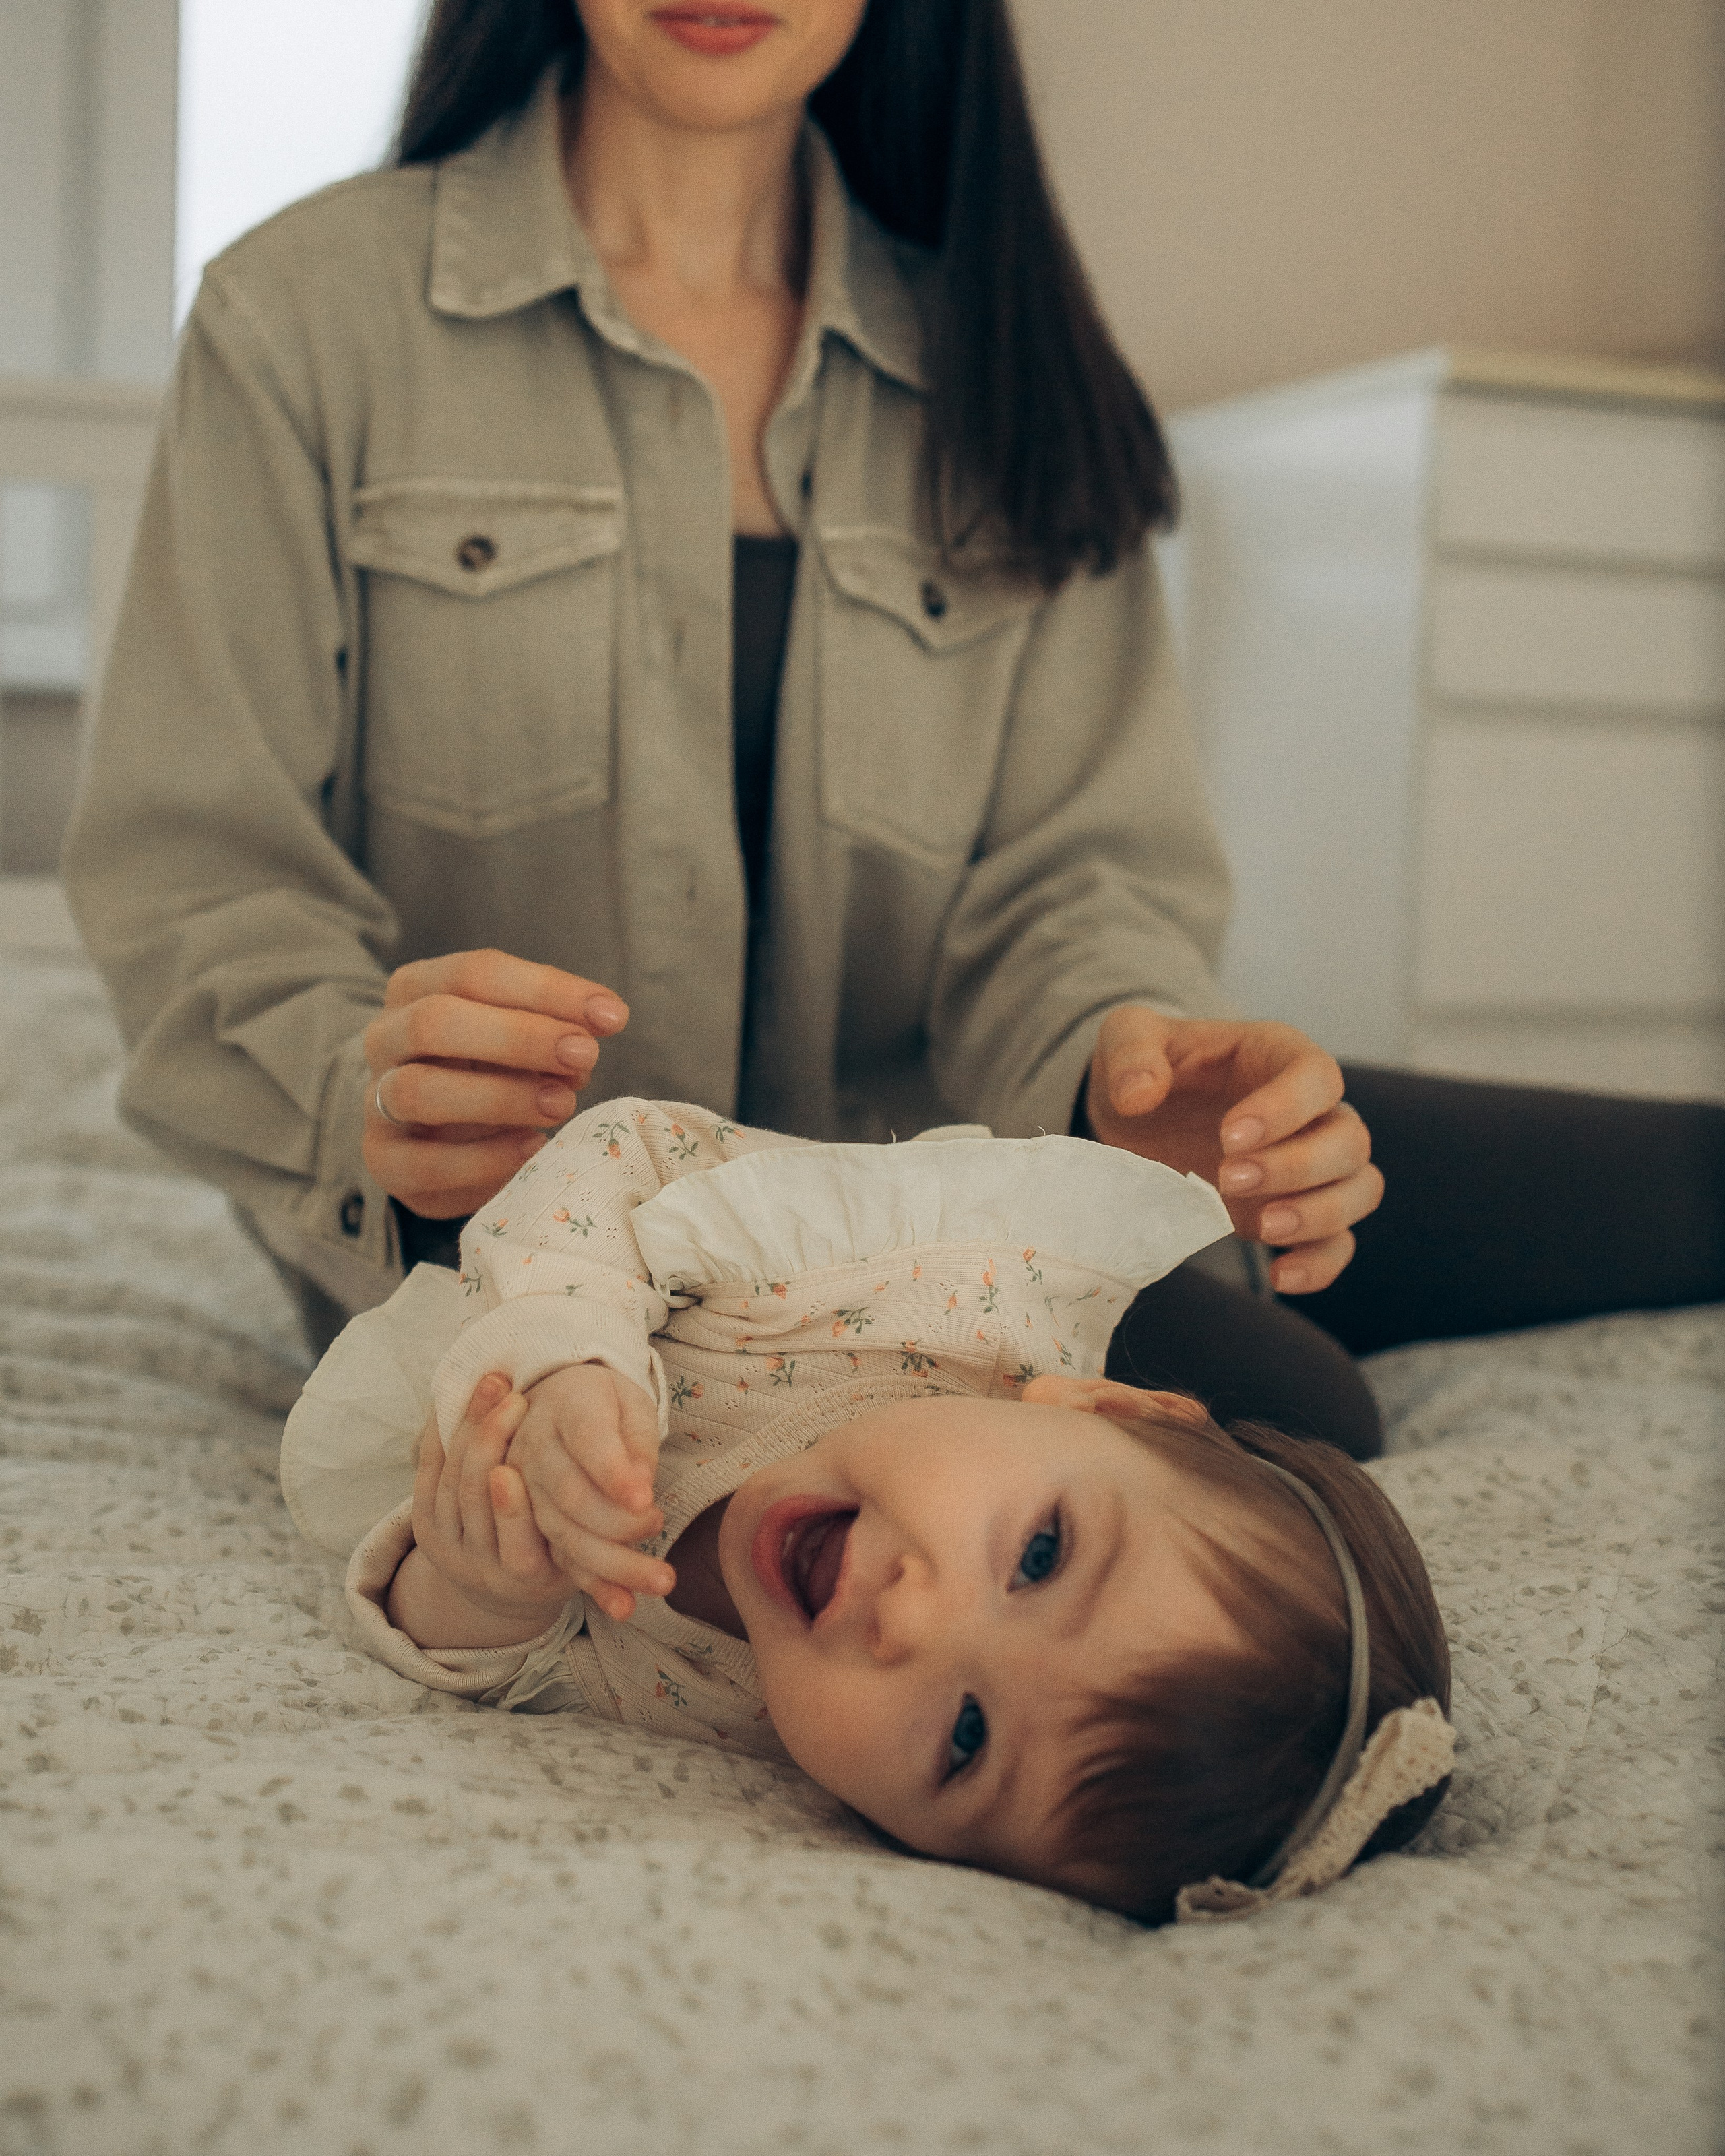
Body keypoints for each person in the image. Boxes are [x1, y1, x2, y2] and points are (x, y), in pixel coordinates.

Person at [64, 0, 1722, 1467]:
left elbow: (1070, 880)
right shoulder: (301, 321)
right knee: (1295, 1418)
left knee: (1656, 1182)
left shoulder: (997, 362)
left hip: (925, 1185)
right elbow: (205, 879)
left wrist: (1116, 1071)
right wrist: (360, 1095)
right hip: (521, 1247)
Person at [281, 1095, 1455, 1926]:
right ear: (1106, 1409)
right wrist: (568, 1350)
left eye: (967, 1740)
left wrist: (488, 1587)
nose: (914, 1621)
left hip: (416, 1390)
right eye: (1040, 1556)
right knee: (1324, 1391)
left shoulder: (735, 1709)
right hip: (471, 1182)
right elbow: (628, 1155)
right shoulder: (927, 1294)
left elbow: (498, 1662)